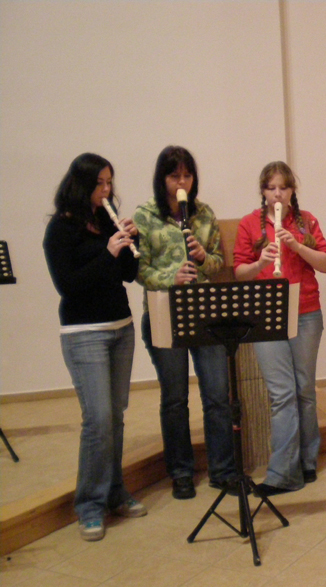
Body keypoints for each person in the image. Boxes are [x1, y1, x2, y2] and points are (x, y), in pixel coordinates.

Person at [43, 153, 147, 541]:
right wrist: (107, 252)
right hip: (84, 331)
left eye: (109, 182)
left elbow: (129, 275)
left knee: (115, 417)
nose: (107, 190)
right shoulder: (60, 229)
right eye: (100, 183)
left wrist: (131, 242)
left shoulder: (106, 221)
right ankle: (88, 504)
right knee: (98, 419)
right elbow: (68, 285)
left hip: (120, 326)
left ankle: (115, 492)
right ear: (82, 184)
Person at [134, 146, 235, 499]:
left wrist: (204, 258)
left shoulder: (203, 214)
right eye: (174, 176)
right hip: (163, 313)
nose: (182, 182)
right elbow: (139, 269)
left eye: (187, 175)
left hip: (204, 311)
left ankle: (223, 470)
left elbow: (218, 262)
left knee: (217, 395)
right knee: (175, 398)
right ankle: (180, 472)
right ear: (162, 179)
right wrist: (171, 278)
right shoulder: (145, 215)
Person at [233, 161, 326, 495]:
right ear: (263, 191)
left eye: (284, 187)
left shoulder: (307, 221)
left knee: (305, 390)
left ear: (292, 191)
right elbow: (239, 272)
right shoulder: (249, 223)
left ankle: (307, 460)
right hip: (267, 315)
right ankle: (282, 473)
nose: (278, 194)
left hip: (306, 313)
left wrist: (297, 246)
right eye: (271, 188)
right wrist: (262, 262)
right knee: (282, 394)